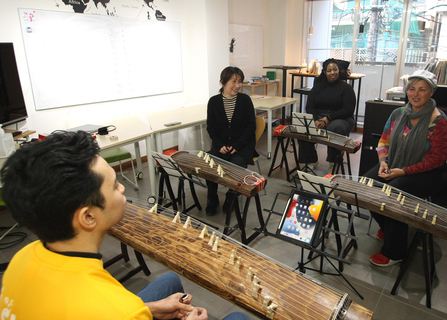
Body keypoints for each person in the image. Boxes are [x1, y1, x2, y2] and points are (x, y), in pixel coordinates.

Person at [0, 131, 250, 320]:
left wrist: (149, 309)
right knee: (239, 318)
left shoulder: (20, 260)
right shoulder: (121, 311)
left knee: (169, 281)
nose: (123, 188)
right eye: (114, 185)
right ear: (88, 217)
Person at [364, 70, 447, 267]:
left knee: (394, 191)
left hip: (430, 173)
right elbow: (383, 141)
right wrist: (384, 161)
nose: (416, 94)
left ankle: (394, 252)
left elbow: (437, 160)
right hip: (395, 163)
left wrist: (403, 171)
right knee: (367, 184)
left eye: (422, 89)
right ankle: (387, 226)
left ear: (432, 92)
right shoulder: (398, 113)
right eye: (412, 89)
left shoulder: (439, 121)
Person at [205, 66, 257, 216]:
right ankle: (212, 198)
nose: (238, 85)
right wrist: (220, 145)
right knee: (209, 165)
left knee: (237, 165)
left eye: (240, 81)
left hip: (242, 146)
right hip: (221, 146)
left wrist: (237, 145)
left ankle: (230, 197)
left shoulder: (245, 100)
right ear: (223, 82)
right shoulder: (214, 102)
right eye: (233, 81)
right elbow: (211, 128)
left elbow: (250, 126)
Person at [298, 59, 356, 173]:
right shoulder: (317, 87)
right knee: (304, 127)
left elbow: (348, 110)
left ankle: (334, 161)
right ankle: (311, 160)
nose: (332, 73)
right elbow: (310, 107)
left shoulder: (346, 88)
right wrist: (315, 119)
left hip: (341, 118)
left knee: (335, 128)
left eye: (335, 69)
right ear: (324, 72)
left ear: (339, 70)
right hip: (319, 116)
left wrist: (328, 118)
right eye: (329, 70)